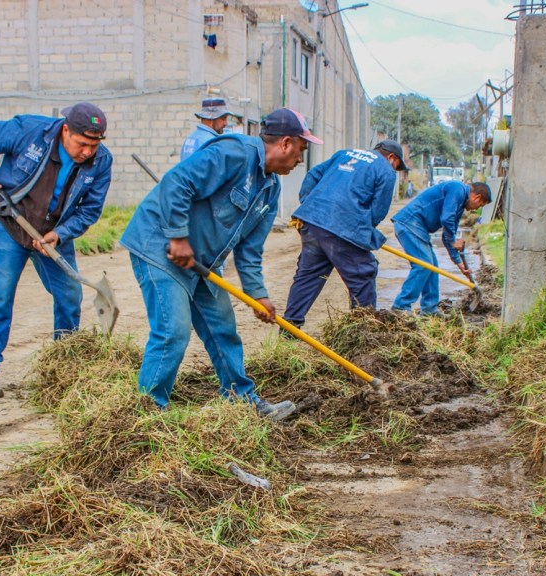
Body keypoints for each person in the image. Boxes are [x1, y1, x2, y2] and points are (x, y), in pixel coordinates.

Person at [120, 108, 321, 420]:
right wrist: (177, 237)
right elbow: (177, 182)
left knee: (223, 328)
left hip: (201, 262)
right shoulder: (233, 153)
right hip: (160, 246)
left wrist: (258, 294)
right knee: (172, 331)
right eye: (301, 150)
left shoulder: (270, 188)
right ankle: (147, 416)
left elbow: (250, 250)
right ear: (285, 143)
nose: (299, 160)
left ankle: (241, 398)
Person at [0, 102, 114, 398]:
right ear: (66, 130)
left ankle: (64, 365)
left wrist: (60, 233)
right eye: (82, 144)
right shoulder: (30, 131)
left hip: (52, 233)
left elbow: (91, 210)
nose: (87, 153)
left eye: (93, 146)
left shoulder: (101, 162)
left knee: (70, 295)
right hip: (10, 224)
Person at [282, 139, 407, 330]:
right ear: (392, 157)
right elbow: (379, 209)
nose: (395, 169)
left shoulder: (344, 153)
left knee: (308, 277)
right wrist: (362, 228)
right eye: (397, 165)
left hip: (312, 222)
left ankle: (289, 329)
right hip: (344, 228)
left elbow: (313, 175)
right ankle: (363, 334)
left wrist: (310, 204)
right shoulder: (386, 169)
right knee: (363, 273)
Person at [390, 180, 492, 316]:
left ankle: (429, 309)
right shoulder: (458, 189)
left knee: (433, 266)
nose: (475, 209)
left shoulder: (459, 205)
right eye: (480, 205)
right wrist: (453, 240)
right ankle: (401, 306)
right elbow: (446, 220)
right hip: (409, 224)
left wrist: (459, 263)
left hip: (418, 229)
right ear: (477, 197)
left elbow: (448, 236)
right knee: (424, 265)